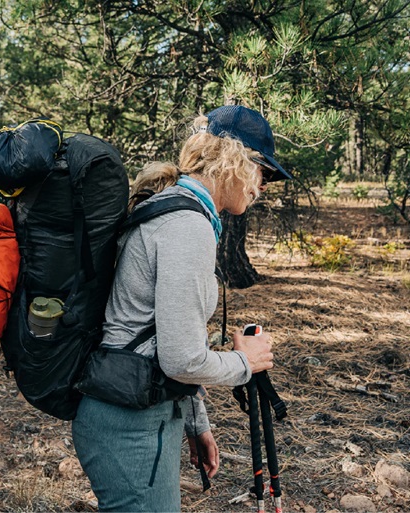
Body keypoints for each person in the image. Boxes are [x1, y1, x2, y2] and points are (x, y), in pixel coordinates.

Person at [71, 105, 293, 512]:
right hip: (132, 425)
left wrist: (195, 423)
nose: (264, 184)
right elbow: (182, 359)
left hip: (133, 415)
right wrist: (248, 363)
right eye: (264, 170)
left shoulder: (174, 209)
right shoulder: (188, 226)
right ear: (235, 159)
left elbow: (159, 336)